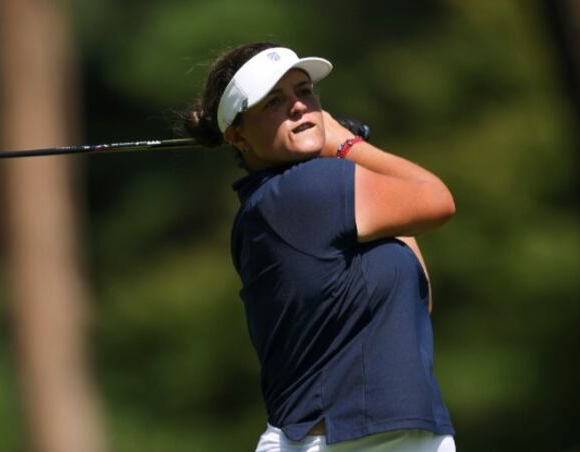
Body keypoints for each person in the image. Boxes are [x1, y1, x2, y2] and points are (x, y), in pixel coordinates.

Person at [183, 43, 457, 451]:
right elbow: (437, 200)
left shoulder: (304, 196)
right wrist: (348, 146)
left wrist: (349, 158)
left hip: (403, 437)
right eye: (274, 101)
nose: (298, 107)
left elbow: (418, 300)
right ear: (238, 135)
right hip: (332, 442)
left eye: (304, 92)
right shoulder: (303, 190)